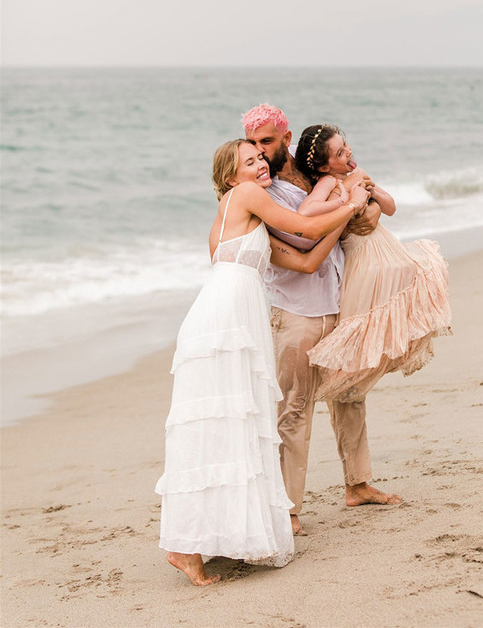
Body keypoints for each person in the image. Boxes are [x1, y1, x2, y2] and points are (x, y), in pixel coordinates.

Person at [155, 139, 369, 585]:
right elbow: (303, 226)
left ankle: (201, 540)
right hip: (223, 322)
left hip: (231, 318)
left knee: (229, 426)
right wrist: (351, 204)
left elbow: (308, 260)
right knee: (219, 424)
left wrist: (344, 216)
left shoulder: (244, 217)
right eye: (248, 162)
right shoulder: (247, 196)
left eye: (260, 158)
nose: (259, 165)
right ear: (231, 177)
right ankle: (183, 546)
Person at [242, 105, 403, 538]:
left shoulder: (316, 174)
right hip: (295, 310)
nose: (260, 152)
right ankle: (289, 508)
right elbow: (302, 237)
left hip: (339, 297)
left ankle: (358, 483)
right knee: (293, 408)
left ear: (286, 137)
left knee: (350, 393)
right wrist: (350, 211)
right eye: (253, 145)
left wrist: (356, 206)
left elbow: (368, 216)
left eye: (267, 142)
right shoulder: (260, 190)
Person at [295, 123, 452, 402]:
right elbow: (307, 210)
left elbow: (391, 207)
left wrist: (372, 193)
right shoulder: (329, 183)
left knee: (406, 298)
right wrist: (347, 202)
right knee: (363, 325)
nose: (348, 153)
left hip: (387, 249)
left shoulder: (359, 174)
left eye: (346, 146)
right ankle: (350, 389)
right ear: (323, 167)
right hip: (362, 258)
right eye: (340, 153)